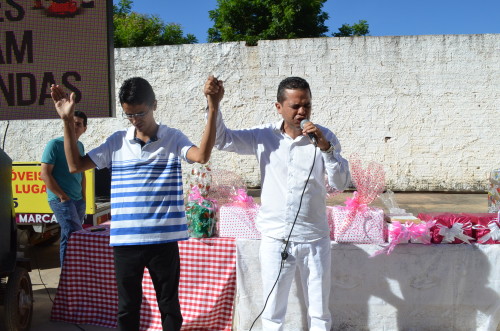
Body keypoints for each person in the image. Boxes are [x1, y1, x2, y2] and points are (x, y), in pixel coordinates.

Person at [50, 76, 223, 331]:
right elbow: (75, 166)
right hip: (126, 242)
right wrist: (66, 120)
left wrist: (213, 106)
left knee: (169, 308)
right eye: (129, 115)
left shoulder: (172, 138)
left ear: (154, 104)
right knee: (127, 309)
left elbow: (202, 155)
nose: (135, 119)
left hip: (164, 241)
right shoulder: (116, 141)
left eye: (140, 113)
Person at [212, 77, 350, 331]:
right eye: (295, 106)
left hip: (314, 237)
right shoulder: (263, 136)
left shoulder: (324, 136)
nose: (302, 112)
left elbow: (341, 183)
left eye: (306, 105)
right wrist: (214, 104)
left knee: (319, 312)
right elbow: (222, 140)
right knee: (273, 311)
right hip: (276, 237)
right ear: (278, 107)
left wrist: (326, 148)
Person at [40, 110, 88, 265]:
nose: (75, 127)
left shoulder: (80, 146)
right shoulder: (54, 144)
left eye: (79, 124)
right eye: (71, 123)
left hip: (78, 200)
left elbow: (82, 173)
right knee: (69, 235)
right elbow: (45, 174)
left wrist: (84, 197)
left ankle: (76, 274)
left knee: (77, 237)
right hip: (61, 200)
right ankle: (66, 281)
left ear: (84, 128)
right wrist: (62, 197)